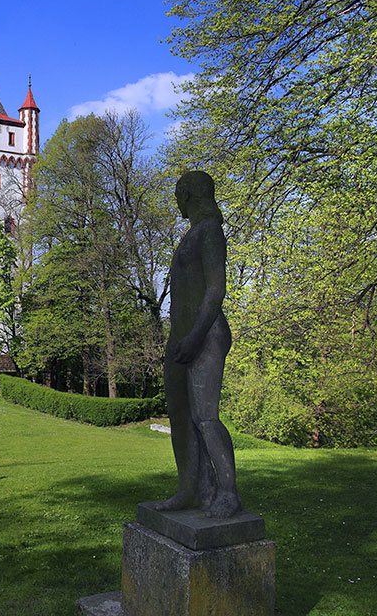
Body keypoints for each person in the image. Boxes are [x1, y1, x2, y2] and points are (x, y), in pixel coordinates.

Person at [157, 170, 241, 519]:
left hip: (204, 336)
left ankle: (228, 493)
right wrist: (180, 338)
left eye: (180, 195)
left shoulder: (209, 232)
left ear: (190, 196)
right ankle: (191, 490)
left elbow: (215, 290)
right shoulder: (193, 233)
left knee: (205, 417)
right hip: (182, 337)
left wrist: (194, 337)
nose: (178, 202)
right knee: (180, 416)